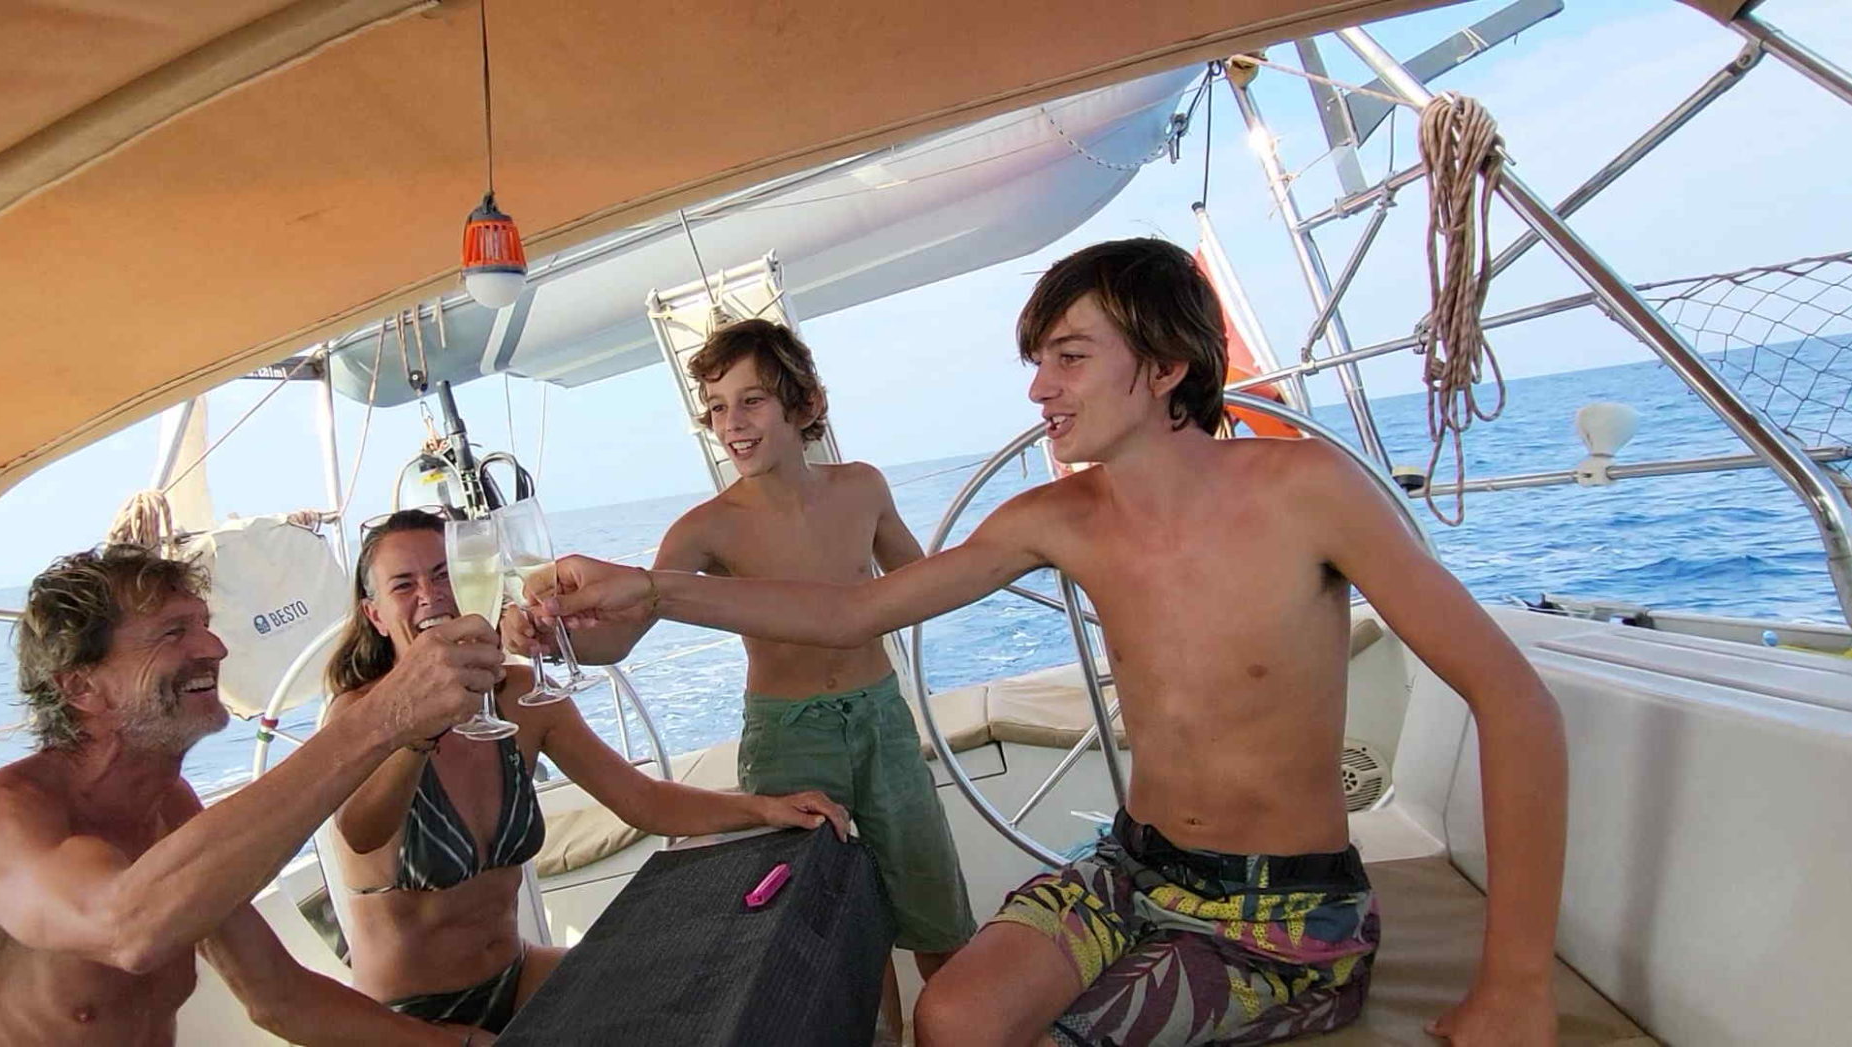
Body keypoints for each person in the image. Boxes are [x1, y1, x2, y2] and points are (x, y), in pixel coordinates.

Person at [532, 239, 1570, 1047]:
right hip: (1131, 867)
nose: (1038, 389)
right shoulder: (1055, 518)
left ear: (1165, 366)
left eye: (1069, 358)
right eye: (1038, 362)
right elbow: (854, 613)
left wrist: (1516, 984)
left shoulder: (1310, 491)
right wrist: (651, 589)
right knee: (952, 1017)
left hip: (1281, 908)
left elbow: (1511, 698)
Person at [543, 317, 979, 1036]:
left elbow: (922, 581)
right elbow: (621, 636)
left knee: (939, 917)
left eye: (751, 401)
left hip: (883, 722)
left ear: (804, 404)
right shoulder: (705, 528)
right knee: (836, 938)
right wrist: (559, 633)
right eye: (717, 407)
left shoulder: (863, 487)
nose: (731, 424)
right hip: (788, 742)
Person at [0, 545, 508, 1046]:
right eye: (174, 632)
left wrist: (458, 1045)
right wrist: (383, 717)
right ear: (81, 686)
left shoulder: (169, 806)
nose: (215, 648)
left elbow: (280, 997)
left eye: (203, 623)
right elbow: (126, 929)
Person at [324, 507, 853, 1036]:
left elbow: (643, 800)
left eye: (444, 575)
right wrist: (419, 726)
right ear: (375, 615)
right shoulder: (359, 716)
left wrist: (764, 808)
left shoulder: (520, 695)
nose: (430, 595)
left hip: (517, 974)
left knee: (690, 1007)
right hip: (405, 1017)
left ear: (471, 582)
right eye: (404, 584)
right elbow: (362, 831)